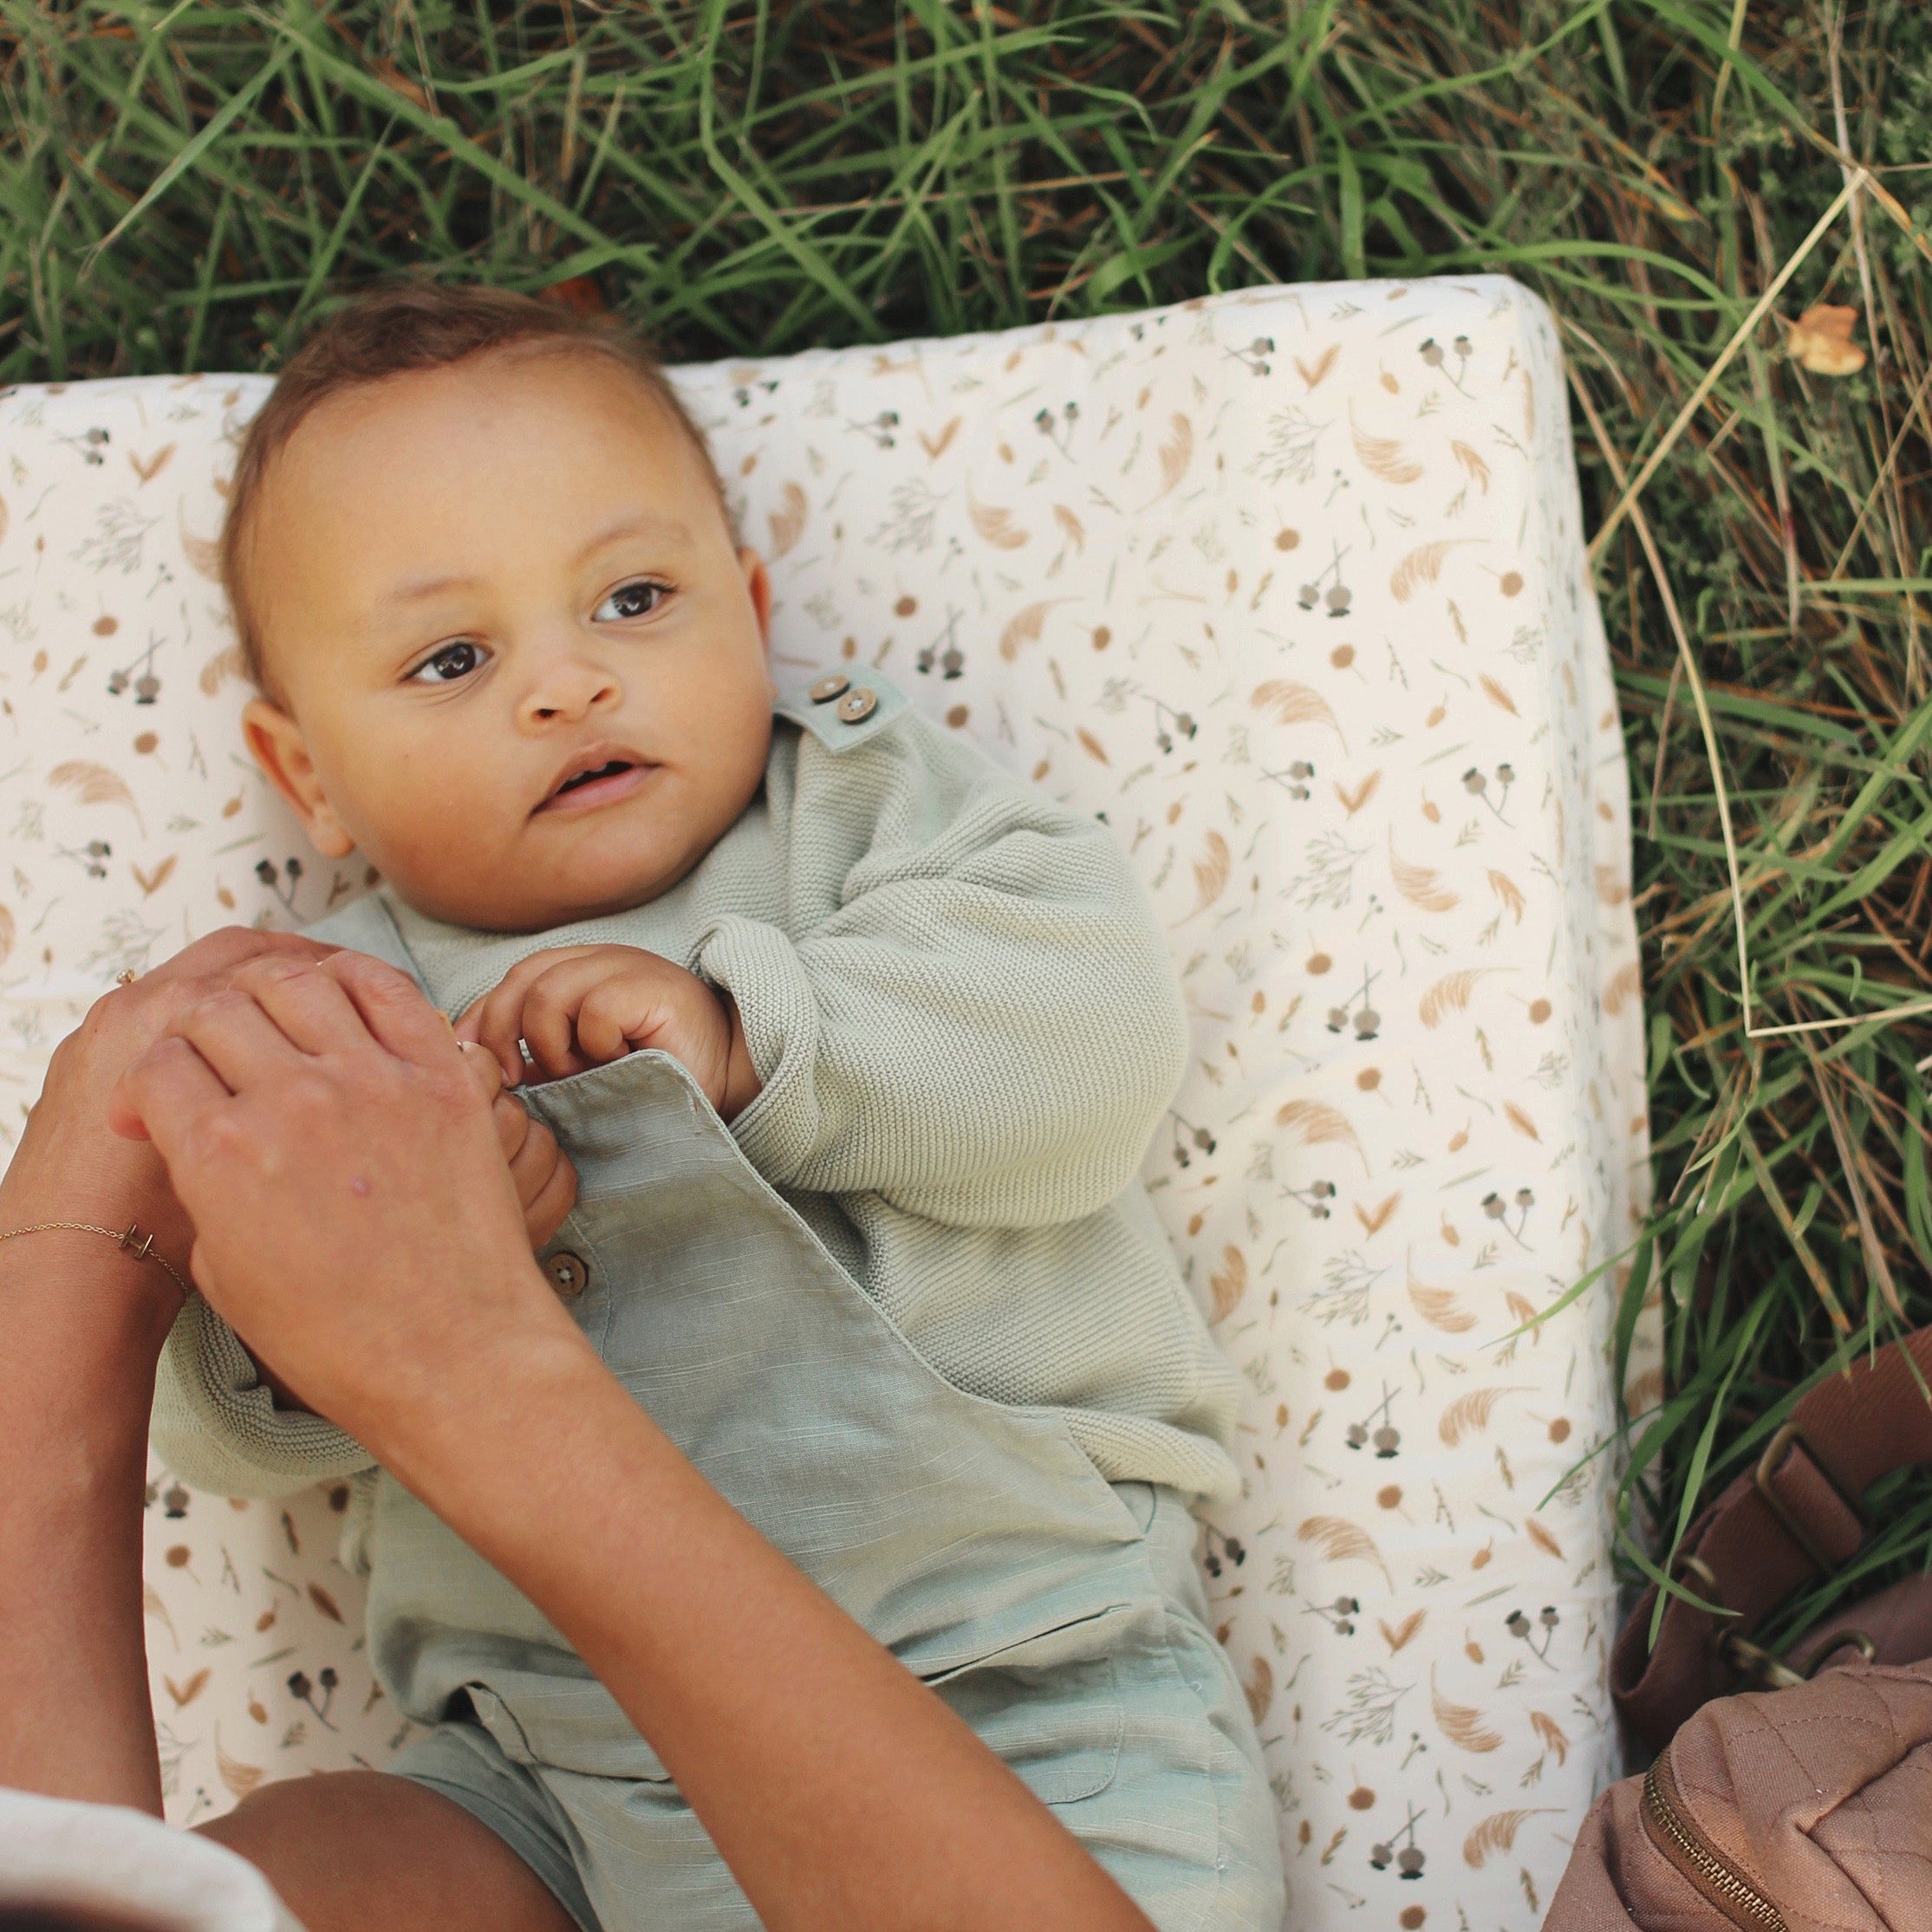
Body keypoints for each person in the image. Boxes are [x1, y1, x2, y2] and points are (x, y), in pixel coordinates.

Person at [0, 286, 1283, 1932]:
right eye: (454, 656)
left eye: (634, 596)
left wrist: (759, 1037)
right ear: (303, 770)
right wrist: (315, 1295)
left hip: (1019, 1680)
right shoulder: (328, 1008)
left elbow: (1088, 1051)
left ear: (751, 613)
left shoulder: (865, 812)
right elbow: (228, 1428)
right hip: (540, 1780)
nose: (568, 684)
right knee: (309, 1854)